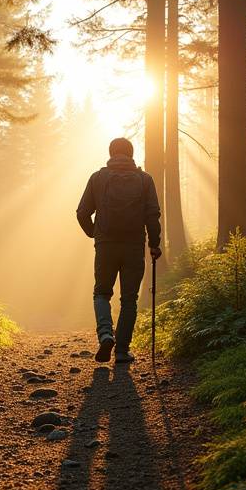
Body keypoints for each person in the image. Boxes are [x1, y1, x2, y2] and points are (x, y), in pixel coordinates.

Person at [76, 137, 162, 363]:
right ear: (131, 154)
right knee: (129, 299)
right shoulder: (145, 180)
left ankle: (105, 334)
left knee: (102, 293)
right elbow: (152, 215)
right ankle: (122, 351)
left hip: (106, 246)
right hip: (134, 246)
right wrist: (154, 244)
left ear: (111, 153)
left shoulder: (97, 178)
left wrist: (96, 233)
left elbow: (82, 212)